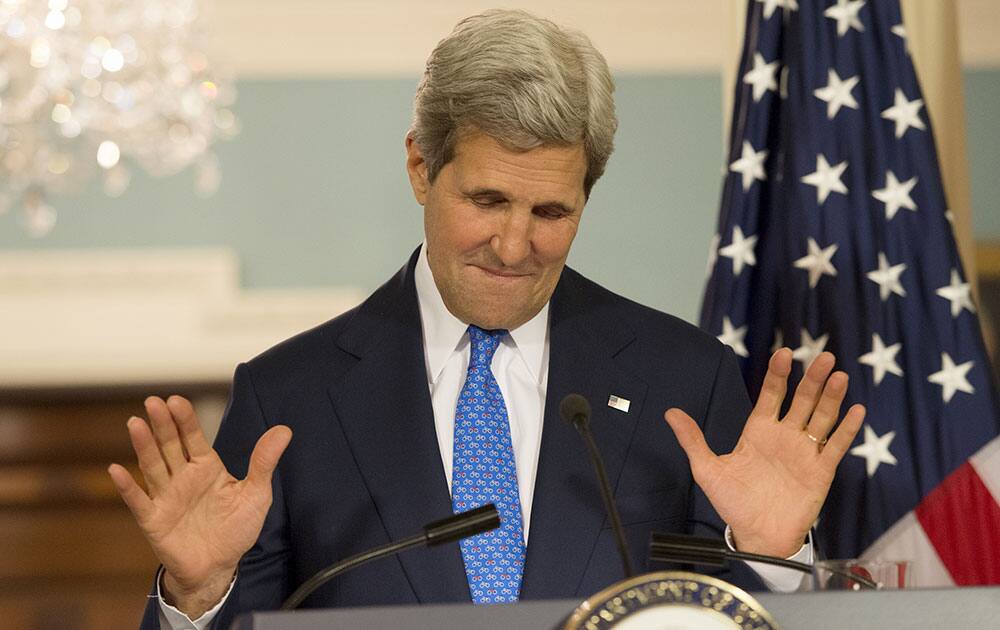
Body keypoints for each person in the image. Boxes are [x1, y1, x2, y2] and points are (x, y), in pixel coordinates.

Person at [107, 9, 865, 629]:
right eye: (487, 201)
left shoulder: (683, 379)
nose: (513, 246)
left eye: (551, 211)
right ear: (420, 169)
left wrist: (770, 557)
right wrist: (198, 596)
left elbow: (739, 621)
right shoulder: (290, 397)